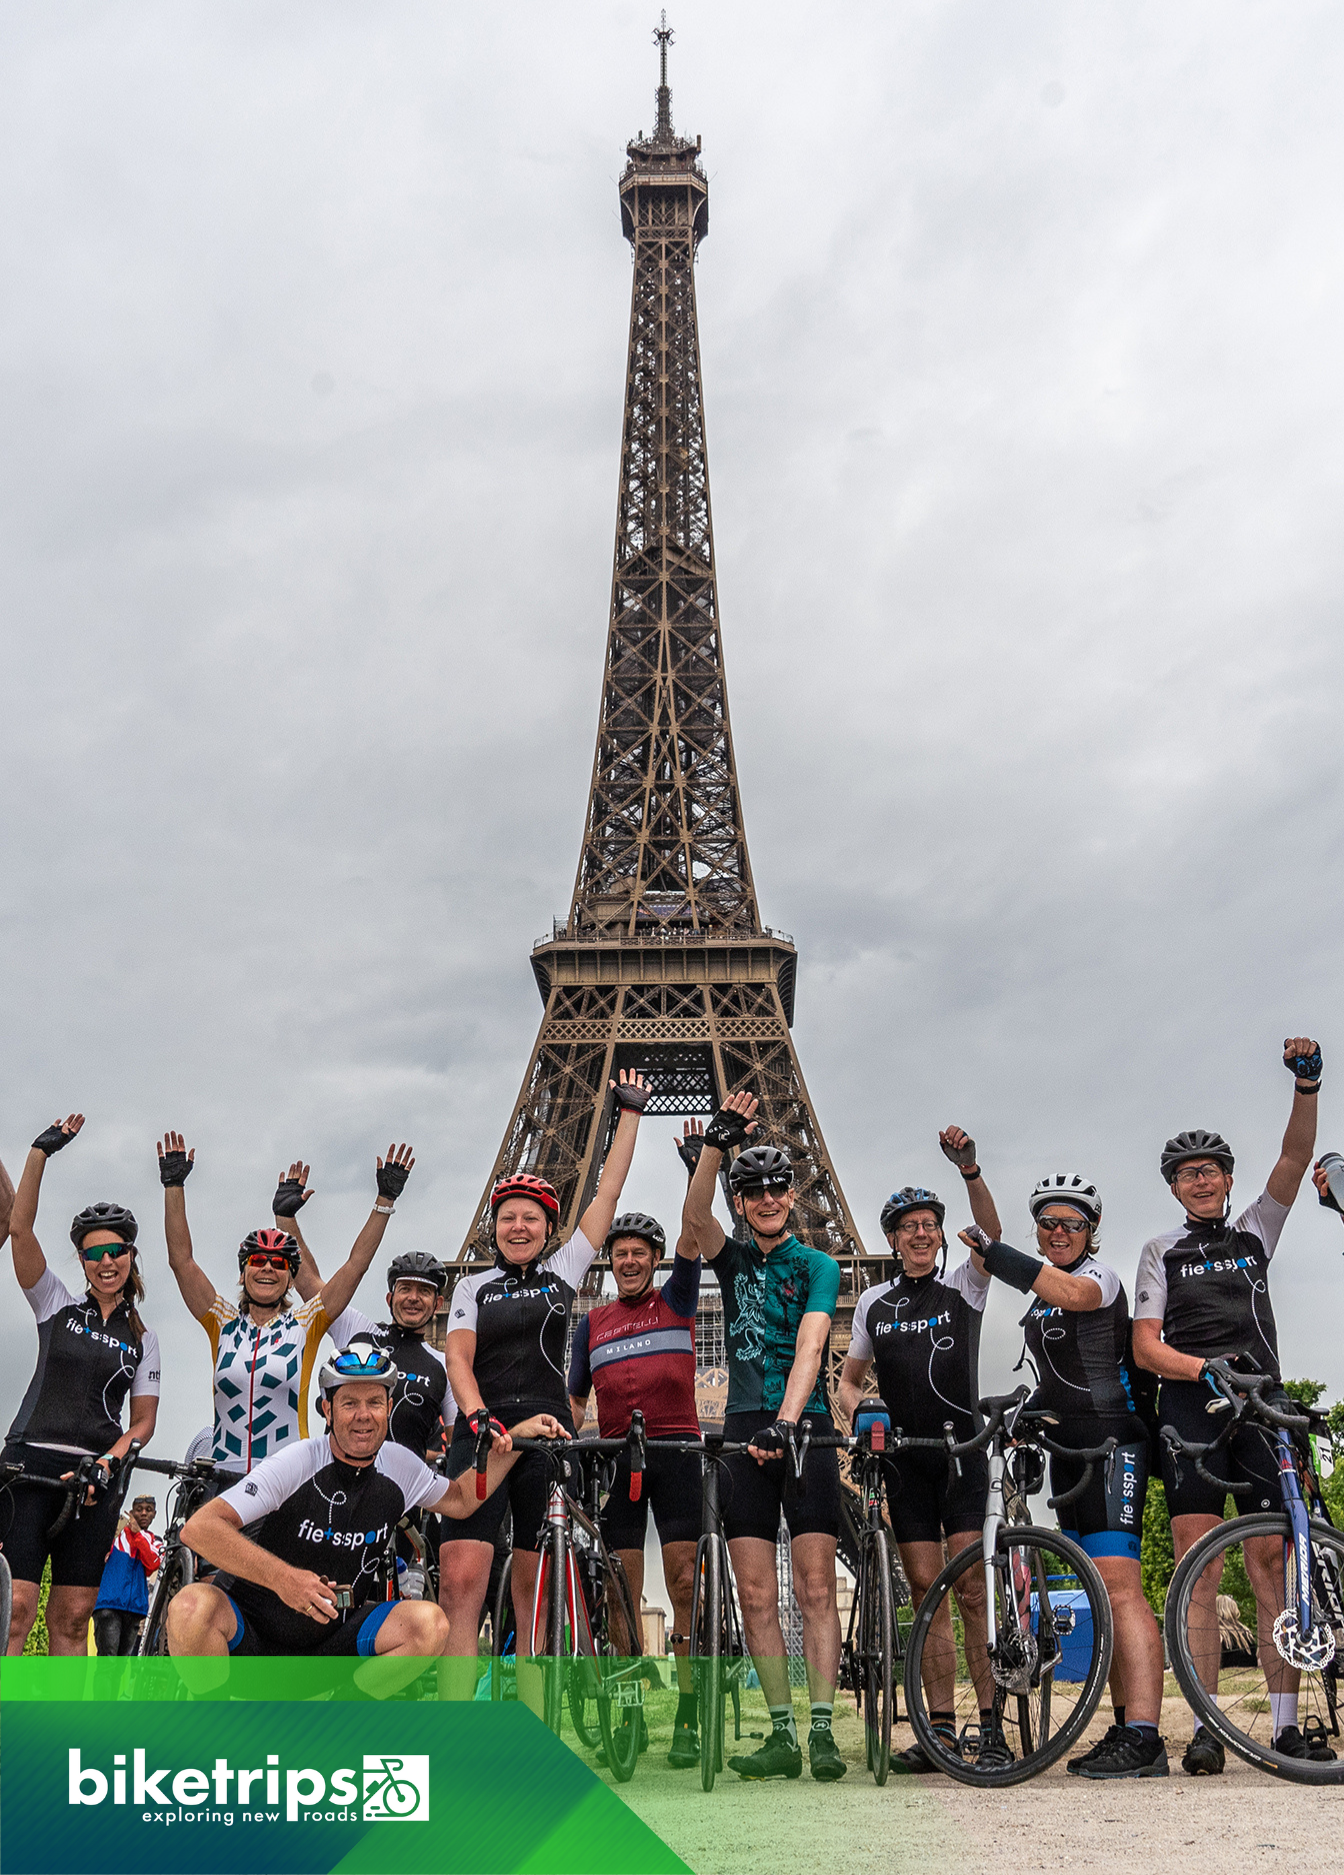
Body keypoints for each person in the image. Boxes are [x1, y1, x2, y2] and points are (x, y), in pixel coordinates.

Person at [1132, 1036, 1326, 1774]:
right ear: (1175, 1188)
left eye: (1210, 1170)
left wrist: (1306, 1084)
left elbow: (1293, 1157)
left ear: (1226, 1178)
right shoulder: (1160, 1250)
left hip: (1263, 1405)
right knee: (1198, 1572)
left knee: (1272, 1563)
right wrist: (1203, 1368)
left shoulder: (1254, 1229)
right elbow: (1147, 1346)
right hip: (1192, 1411)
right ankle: (1209, 1726)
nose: (1200, 1180)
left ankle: (1281, 1726)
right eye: (1187, 1174)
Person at [167, 1345, 566, 1690]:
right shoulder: (297, 1461)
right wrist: (285, 1580)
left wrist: (517, 1439)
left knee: (430, 1625)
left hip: (331, 1644)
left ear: (389, 1407)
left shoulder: (399, 1465)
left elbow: (462, 1499)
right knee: (189, 1608)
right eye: (349, 1403)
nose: (364, 1415)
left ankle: (335, 1721)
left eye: (374, 1402)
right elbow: (200, 1529)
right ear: (327, 1409)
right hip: (254, 1637)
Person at [439, 1071, 649, 1710]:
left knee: (532, 1591)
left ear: (548, 1226)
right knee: (461, 1584)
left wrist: (629, 1116)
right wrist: (478, 1419)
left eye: (531, 1218)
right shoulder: (474, 1288)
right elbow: (458, 1357)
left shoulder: (564, 1272)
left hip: (549, 1437)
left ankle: (528, 1729)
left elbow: (606, 1196)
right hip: (485, 1435)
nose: (519, 1226)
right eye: (508, 1218)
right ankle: (451, 1729)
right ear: (493, 1227)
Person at [965, 1169, 1168, 1779]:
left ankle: (1146, 1736)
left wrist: (997, 1255)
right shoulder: (1039, 1298)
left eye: (1071, 1223)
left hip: (1112, 1443)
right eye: (1048, 1222)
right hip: (1068, 1453)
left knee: (1120, 1586)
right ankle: (1124, 1725)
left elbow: (1072, 1298)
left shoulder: (1096, 1278)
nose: (1059, 1231)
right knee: (1098, 1594)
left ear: (1091, 1230)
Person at [679, 1090, 846, 1784]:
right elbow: (692, 1220)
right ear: (742, 1201)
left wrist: (790, 1415)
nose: (769, 1197)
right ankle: (780, 1732)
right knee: (753, 1594)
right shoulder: (735, 1261)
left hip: (801, 1427)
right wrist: (715, 1144)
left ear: (792, 1195)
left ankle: (823, 1728)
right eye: (754, 1190)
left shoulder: (819, 1266)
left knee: (814, 1589)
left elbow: (811, 1346)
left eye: (779, 1186)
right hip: (743, 1427)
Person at [835, 1126, 1001, 1772]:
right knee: (926, 1590)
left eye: (930, 1223)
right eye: (909, 1225)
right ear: (893, 1238)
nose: (922, 1233)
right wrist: (860, 1411)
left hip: (960, 1452)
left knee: (971, 1590)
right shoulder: (874, 1302)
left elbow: (991, 1232)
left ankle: (990, 1725)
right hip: (903, 1460)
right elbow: (847, 1381)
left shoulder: (964, 1284)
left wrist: (970, 1170)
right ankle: (939, 1729)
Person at [157, 1130, 414, 1472]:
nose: (267, 1268)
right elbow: (181, 1261)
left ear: (292, 1278)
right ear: (242, 1273)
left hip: (287, 1478)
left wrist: (385, 1200)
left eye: (278, 1263)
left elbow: (355, 1266)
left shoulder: (307, 1323)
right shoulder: (221, 1321)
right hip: (224, 1478)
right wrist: (173, 1186)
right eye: (257, 1261)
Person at [2, 1115, 161, 1655]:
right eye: (93, 1253)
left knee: (71, 1620)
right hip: (28, 1468)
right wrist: (39, 1154)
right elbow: (19, 1229)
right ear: (82, 1261)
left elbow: (142, 1423)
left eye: (115, 1250)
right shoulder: (56, 1304)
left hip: (94, 1477)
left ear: (131, 1255)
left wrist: (110, 1461)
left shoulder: (143, 1336)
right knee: (16, 1609)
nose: (106, 1261)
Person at [567, 1204, 703, 1767]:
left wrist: (705, 1163)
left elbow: (696, 1233)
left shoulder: (677, 1300)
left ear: (655, 1259)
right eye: (619, 1252)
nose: (628, 1260)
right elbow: (576, 1398)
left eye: (639, 1252)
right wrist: (558, 1432)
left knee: (685, 1583)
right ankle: (629, 1711)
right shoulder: (591, 1324)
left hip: (675, 1452)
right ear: (610, 1261)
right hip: (619, 1458)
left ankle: (689, 1716)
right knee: (621, 1589)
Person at [93, 1495, 162, 1656]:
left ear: (155, 1514)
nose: (144, 1513)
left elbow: (153, 1563)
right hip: (109, 1606)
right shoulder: (116, 1535)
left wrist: (138, 1535)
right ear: (131, 1512)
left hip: (134, 1610)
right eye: (139, 1510)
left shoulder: (156, 1542)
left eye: (148, 1510)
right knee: (108, 1663)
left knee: (120, 1666)